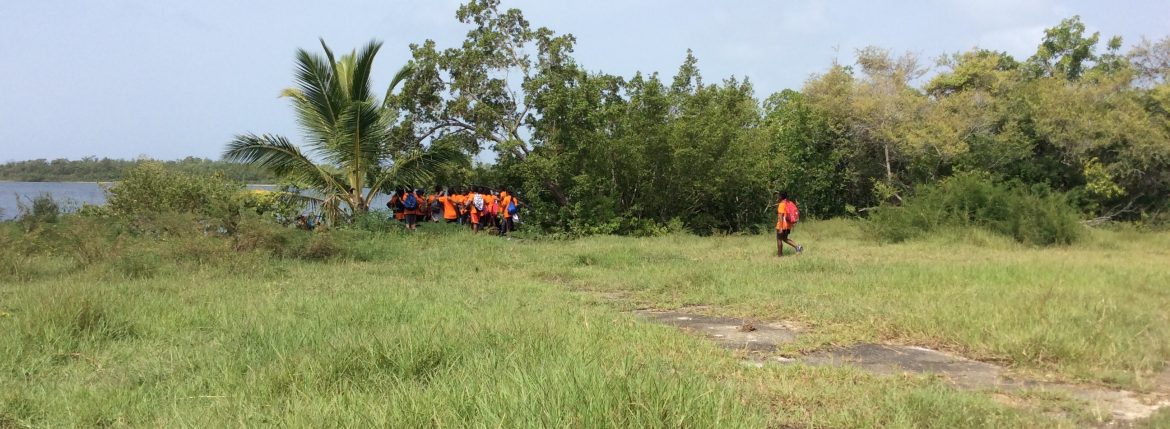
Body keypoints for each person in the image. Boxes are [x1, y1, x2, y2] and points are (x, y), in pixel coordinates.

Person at [775, 191, 804, 257]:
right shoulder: (789, 202)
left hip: (782, 225)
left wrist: (780, 228)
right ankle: (798, 247)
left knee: (779, 239)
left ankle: (780, 255)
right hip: (788, 225)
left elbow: (780, 216)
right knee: (785, 238)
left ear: (781, 197)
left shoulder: (782, 204)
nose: (777, 197)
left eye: (778, 196)